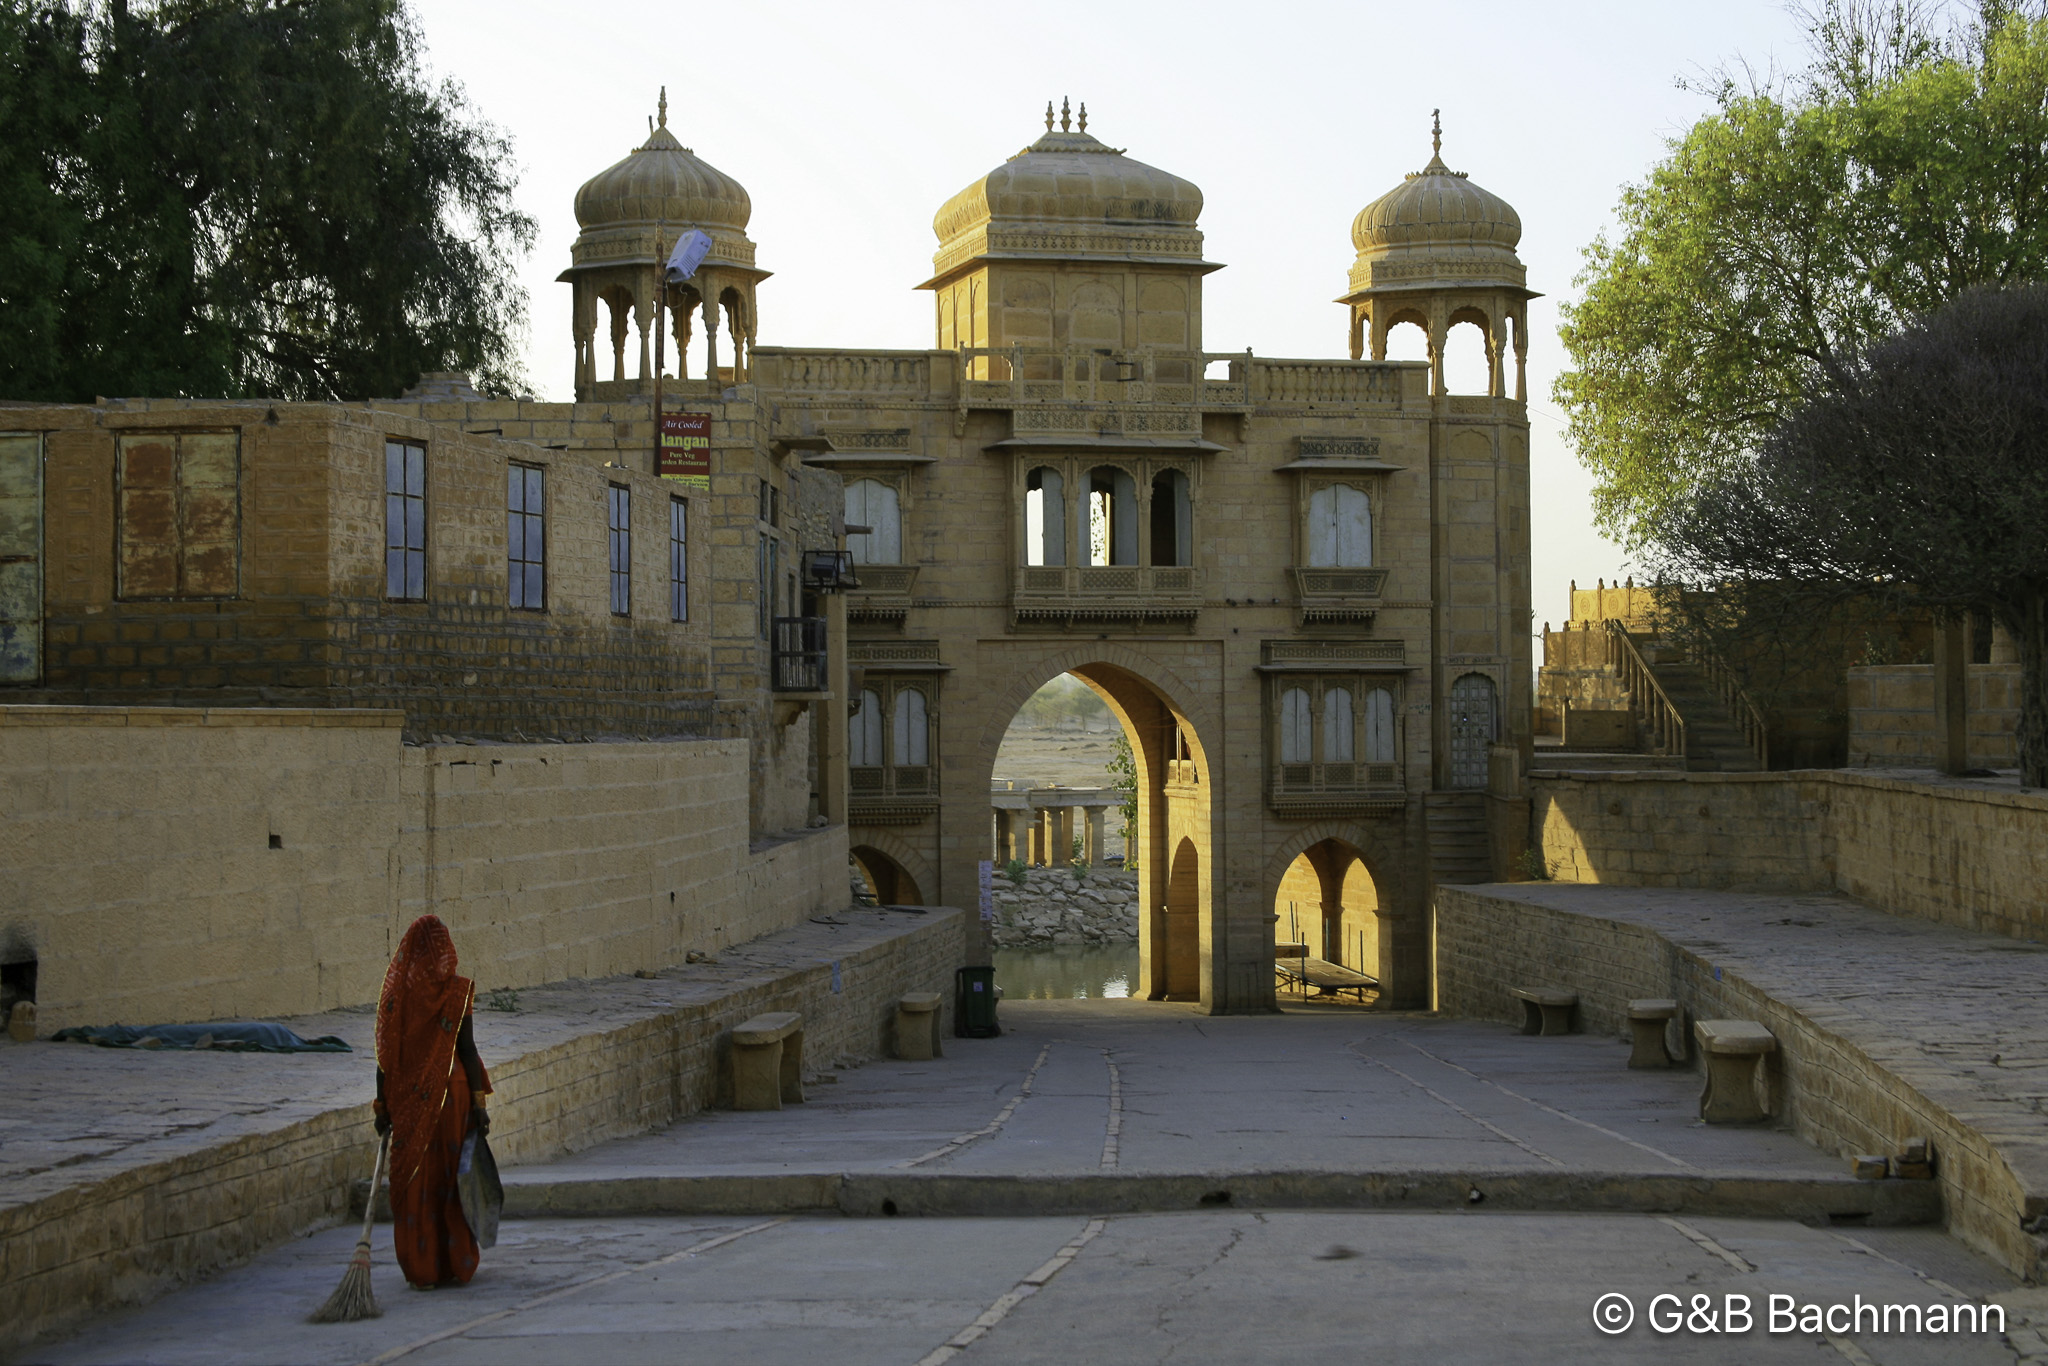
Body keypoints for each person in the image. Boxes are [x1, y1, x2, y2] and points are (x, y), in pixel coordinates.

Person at [372, 915, 492, 1288]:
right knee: (451, 1176)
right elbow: (467, 1050)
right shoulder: (458, 992)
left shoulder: (399, 997)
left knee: (418, 1179)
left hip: (409, 1097)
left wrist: (383, 1106)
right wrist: (479, 1105)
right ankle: (456, 1261)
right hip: (452, 1094)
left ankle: (422, 1267)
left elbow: (386, 1057)